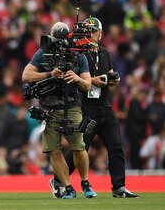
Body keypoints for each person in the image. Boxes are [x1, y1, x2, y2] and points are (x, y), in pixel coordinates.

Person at [51, 17, 140, 198]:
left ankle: (119, 187)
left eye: (94, 31)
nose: (90, 34)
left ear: (101, 33)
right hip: (85, 106)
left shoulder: (105, 53)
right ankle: (59, 180)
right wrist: (93, 81)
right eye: (88, 31)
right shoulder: (77, 53)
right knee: (80, 148)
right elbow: (71, 77)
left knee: (116, 147)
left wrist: (113, 80)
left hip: (105, 107)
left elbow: (107, 74)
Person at [22, 22, 96, 199]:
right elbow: (26, 75)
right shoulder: (43, 52)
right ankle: (68, 187)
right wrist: (49, 74)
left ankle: (85, 182)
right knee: (53, 150)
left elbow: (87, 85)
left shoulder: (78, 55)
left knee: (79, 146)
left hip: (72, 105)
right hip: (49, 108)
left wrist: (76, 77)